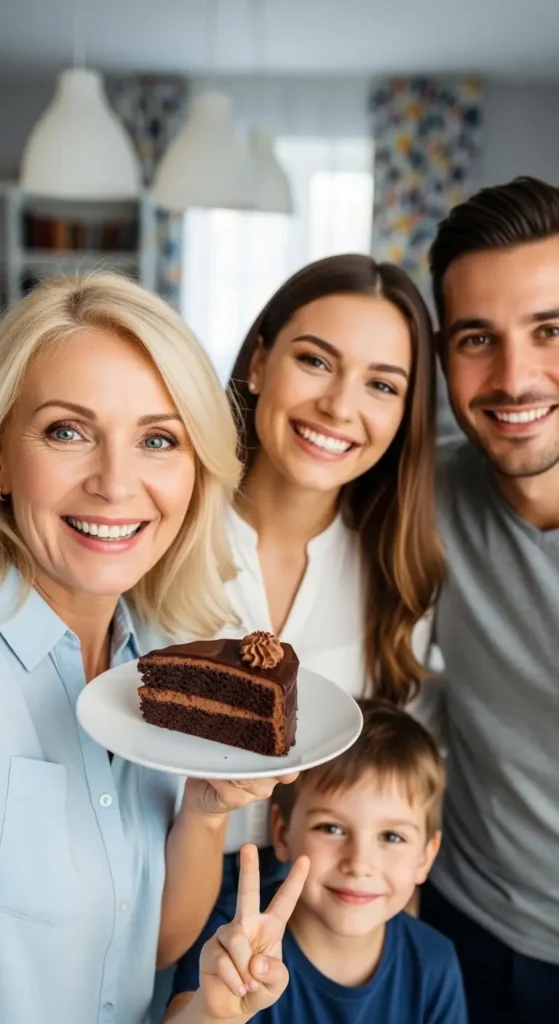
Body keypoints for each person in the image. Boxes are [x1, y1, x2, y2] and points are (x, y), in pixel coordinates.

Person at [0, 272, 296, 1024]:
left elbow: (150, 948)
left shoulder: (163, 659)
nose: (114, 482)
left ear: (195, 473)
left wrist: (203, 809)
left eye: (158, 439)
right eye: (67, 431)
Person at [158, 254, 446, 976]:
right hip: (149, 901)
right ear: (259, 361)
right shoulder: (159, 527)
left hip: (318, 933)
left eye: (381, 384)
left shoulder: (397, 578)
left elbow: (396, 802)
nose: (339, 407)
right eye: (315, 361)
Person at [419, 176, 559, 1023]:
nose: (513, 378)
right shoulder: (417, 495)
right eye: (477, 338)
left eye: (550, 330)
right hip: (469, 931)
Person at [165, 700, 467, 1024]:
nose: (358, 863)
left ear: (426, 855)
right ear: (282, 833)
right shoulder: (236, 931)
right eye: (331, 828)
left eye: (392, 837)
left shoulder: (435, 961)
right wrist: (215, 1014)